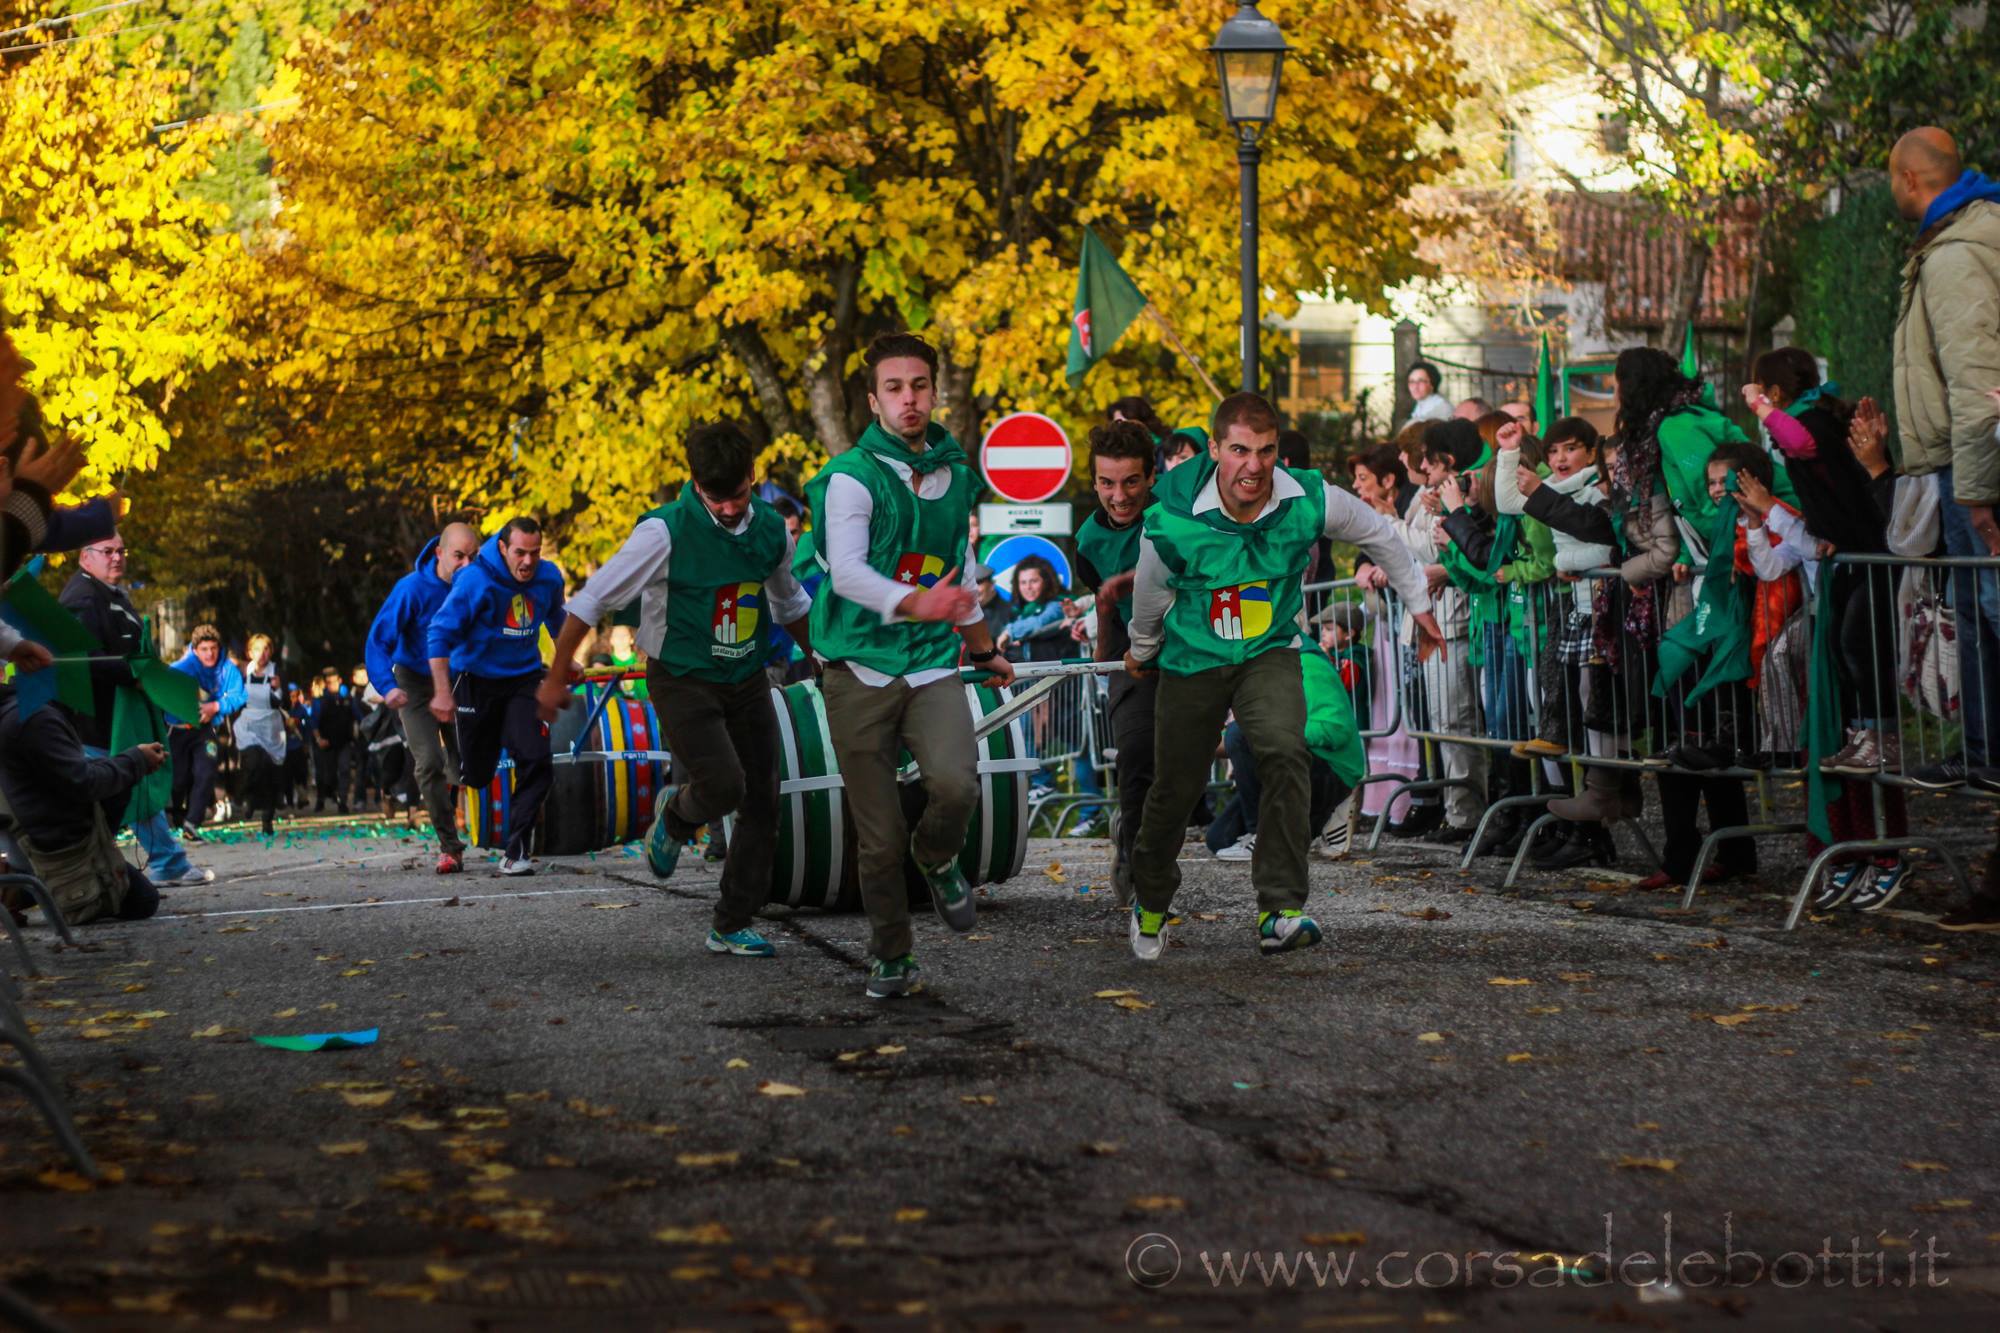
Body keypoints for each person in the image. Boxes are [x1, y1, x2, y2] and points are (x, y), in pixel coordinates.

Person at [1124, 391, 1442, 961]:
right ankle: (1150, 900)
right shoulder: (1171, 516)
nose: (1254, 466)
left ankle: (1280, 908)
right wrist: (1143, 647)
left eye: (1266, 451)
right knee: (1174, 788)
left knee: (1284, 752)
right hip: (1193, 660)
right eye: (1240, 451)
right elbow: (1150, 594)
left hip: (1268, 651)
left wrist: (1418, 604)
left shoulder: (1310, 499)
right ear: (1217, 449)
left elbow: (1381, 536)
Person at [543, 421, 812, 957]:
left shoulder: (772, 533)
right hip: (682, 678)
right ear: (694, 484)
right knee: (724, 786)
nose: (730, 509)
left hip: (746, 677)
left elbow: (790, 606)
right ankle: (676, 815)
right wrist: (555, 676)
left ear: (753, 478)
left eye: (738, 496)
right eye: (716, 499)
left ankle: (732, 921)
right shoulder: (662, 532)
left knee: (763, 801)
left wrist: (826, 658)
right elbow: (592, 599)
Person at [802, 331, 1015, 999]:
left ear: (933, 390)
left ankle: (939, 855)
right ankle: (891, 954)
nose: (909, 399)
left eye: (919, 386)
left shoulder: (956, 474)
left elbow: (963, 574)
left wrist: (983, 647)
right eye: (894, 388)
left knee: (957, 785)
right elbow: (848, 572)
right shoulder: (850, 479)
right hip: (856, 667)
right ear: (873, 400)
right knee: (877, 835)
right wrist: (919, 601)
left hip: (929, 664)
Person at [1888, 127, 2000, 812]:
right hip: (1963, 461)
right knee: (1977, 610)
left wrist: (1981, 490)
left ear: (1910, 180)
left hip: (1972, 465)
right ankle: (1984, 749)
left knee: (1987, 610)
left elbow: (1976, 378)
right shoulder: (1965, 238)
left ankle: (1989, 751)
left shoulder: (1957, 254)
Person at [57, 529, 214, 886]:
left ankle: (149, 863)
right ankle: (162, 862)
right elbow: (86, 659)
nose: (117, 557)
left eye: (121, 551)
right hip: (98, 720)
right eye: (108, 551)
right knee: (124, 786)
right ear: (86, 556)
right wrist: (135, 675)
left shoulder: (105, 592)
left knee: (119, 789)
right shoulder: (81, 598)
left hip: (114, 716)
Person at [1436, 413, 1557, 858]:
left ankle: (1538, 817)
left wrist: (1458, 520)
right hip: (1502, 624)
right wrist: (1452, 548)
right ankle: (1512, 815)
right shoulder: (1503, 510)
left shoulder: (1527, 503)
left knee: (1531, 725)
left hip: (1528, 625)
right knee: (1505, 724)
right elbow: (1482, 573)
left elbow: (1501, 564)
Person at [428, 517, 569, 876]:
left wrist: (568, 659)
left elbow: (556, 617)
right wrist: (443, 692)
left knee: (537, 758)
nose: (527, 562)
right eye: (520, 552)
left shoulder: (549, 577)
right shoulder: (476, 580)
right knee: (476, 774)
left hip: (523, 679)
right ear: (503, 548)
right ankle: (447, 824)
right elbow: (439, 634)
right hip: (475, 680)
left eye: (534, 554)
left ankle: (516, 850)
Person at [1074, 420, 1158, 904]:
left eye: (1130, 482)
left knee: (1177, 767)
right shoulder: (1087, 543)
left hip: (1189, 647)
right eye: (1107, 483)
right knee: (1136, 752)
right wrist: (1109, 663)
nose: (1119, 496)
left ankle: (1144, 830)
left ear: (1151, 477)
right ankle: (1136, 858)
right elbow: (1104, 615)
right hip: (1131, 655)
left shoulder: (1175, 512)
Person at [364, 522, 480, 871]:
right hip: (414, 682)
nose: (466, 565)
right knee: (429, 762)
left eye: (473, 557)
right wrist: (387, 686)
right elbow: (377, 641)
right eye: (459, 556)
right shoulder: (411, 590)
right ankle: (450, 845)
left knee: (470, 760)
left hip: (459, 677)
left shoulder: (479, 586)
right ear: (439, 553)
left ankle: (468, 810)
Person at [0, 685, 163, 925]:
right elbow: (85, 782)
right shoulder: (32, 717)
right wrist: (136, 760)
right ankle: (27, 887)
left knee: (112, 774)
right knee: (144, 900)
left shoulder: (19, 713)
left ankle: (18, 887)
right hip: (51, 847)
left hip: (20, 839)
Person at [166, 624, 245, 840]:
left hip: (205, 731)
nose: (209, 654)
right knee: (178, 780)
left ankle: (192, 823)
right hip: (178, 730)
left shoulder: (227, 669)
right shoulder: (180, 668)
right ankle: (177, 816)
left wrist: (217, 706)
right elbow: (161, 693)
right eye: (204, 649)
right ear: (194, 650)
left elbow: (239, 696)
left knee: (206, 772)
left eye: (213, 648)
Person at [233, 635, 287, 836]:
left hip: (271, 727)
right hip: (248, 726)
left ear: (270, 651)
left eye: (265, 649)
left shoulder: (277, 672)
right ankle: (246, 796)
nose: (261, 654)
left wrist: (278, 688)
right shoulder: (242, 672)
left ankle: (267, 818)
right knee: (255, 762)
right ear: (249, 652)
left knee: (270, 772)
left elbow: (285, 703)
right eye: (257, 649)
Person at [996, 556, 1070, 663]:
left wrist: (1010, 632)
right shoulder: (1022, 611)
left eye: (1034, 581)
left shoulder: (1060, 604)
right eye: (1023, 582)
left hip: (1055, 676)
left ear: (1047, 582)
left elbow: (1040, 622)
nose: (1028, 587)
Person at [309, 667, 357, 815]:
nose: (331, 685)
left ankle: (342, 801)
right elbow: (314, 722)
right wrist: (318, 739)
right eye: (328, 682)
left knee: (344, 771)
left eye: (333, 682)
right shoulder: (320, 701)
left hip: (344, 742)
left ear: (339, 681)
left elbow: (357, 717)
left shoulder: (347, 699)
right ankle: (321, 799)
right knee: (325, 775)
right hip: (326, 744)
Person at [1400, 361, 1452, 431]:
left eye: (1421, 381)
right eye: (1412, 382)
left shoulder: (1443, 410)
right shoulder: (1419, 408)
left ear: (1432, 384)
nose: (1415, 387)